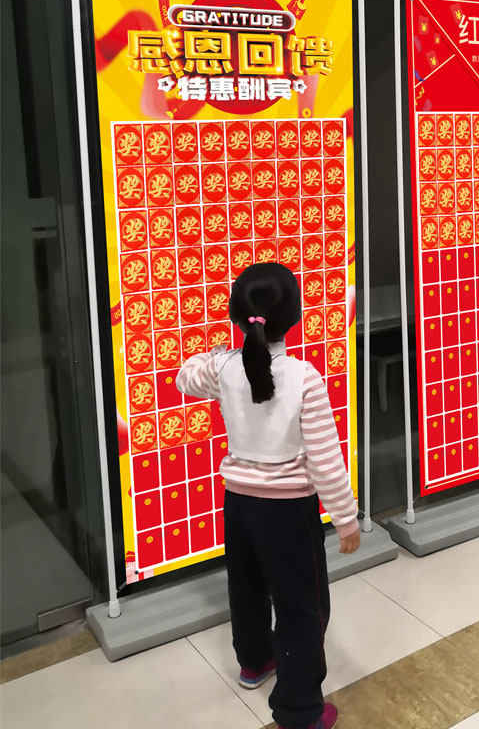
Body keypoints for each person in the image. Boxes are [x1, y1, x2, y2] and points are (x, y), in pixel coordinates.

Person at [176, 262, 359, 729]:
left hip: (239, 505)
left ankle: (255, 662)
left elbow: (184, 377)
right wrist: (346, 518)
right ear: (294, 317)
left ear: (238, 316)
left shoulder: (224, 369)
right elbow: (326, 461)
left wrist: (218, 353)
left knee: (247, 588)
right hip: (289, 513)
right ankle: (299, 712)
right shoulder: (304, 378)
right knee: (302, 607)